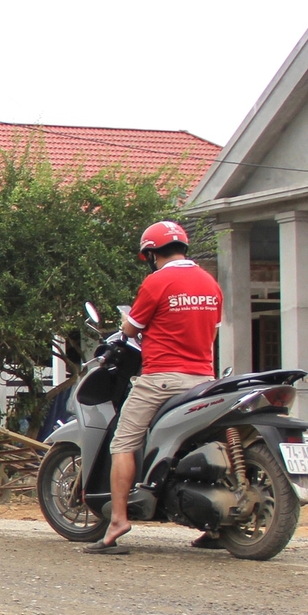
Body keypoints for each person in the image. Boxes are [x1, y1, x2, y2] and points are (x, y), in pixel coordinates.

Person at [89, 220, 223, 554]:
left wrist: (129, 325)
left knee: (123, 440)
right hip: (204, 380)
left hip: (161, 378)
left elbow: (131, 328)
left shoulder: (157, 281)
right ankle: (217, 524)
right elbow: (213, 331)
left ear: (151, 253)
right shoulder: (210, 283)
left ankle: (118, 519)